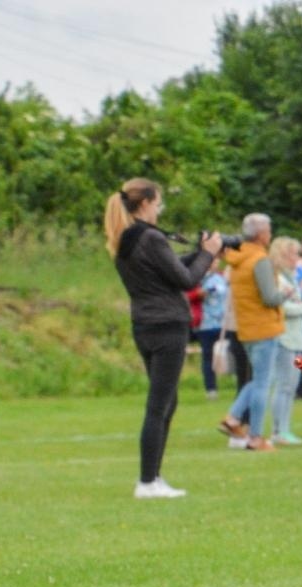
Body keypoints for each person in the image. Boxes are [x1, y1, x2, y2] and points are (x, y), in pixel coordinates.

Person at [104, 179, 219, 495]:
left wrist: (200, 254)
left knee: (167, 400)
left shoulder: (125, 239)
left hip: (144, 324)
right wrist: (207, 256)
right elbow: (185, 280)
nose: (159, 209)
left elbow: (168, 271)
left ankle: (153, 477)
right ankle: (147, 480)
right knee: (159, 404)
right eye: (158, 203)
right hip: (168, 324)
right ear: (145, 204)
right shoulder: (152, 238)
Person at [216, 213, 287, 452]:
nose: (269, 234)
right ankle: (256, 437)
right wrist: (285, 295)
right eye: (268, 230)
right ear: (260, 235)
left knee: (257, 379)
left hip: (246, 329)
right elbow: (269, 297)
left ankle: (233, 418)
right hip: (265, 328)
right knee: (262, 384)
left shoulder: (236, 259)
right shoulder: (260, 259)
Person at [264, 235, 302, 446]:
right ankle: (278, 431)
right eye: (294, 254)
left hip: (296, 337)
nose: (297, 258)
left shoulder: (291, 277)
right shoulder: (278, 278)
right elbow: (284, 307)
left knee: (291, 386)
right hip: (284, 338)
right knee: (284, 385)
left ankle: (285, 428)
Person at [195, 258, 228, 399]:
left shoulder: (221, 278)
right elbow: (194, 293)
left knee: (232, 352)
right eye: (211, 260)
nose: (214, 263)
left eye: (215, 260)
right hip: (206, 323)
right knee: (207, 357)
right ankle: (211, 389)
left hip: (224, 322)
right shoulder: (198, 277)